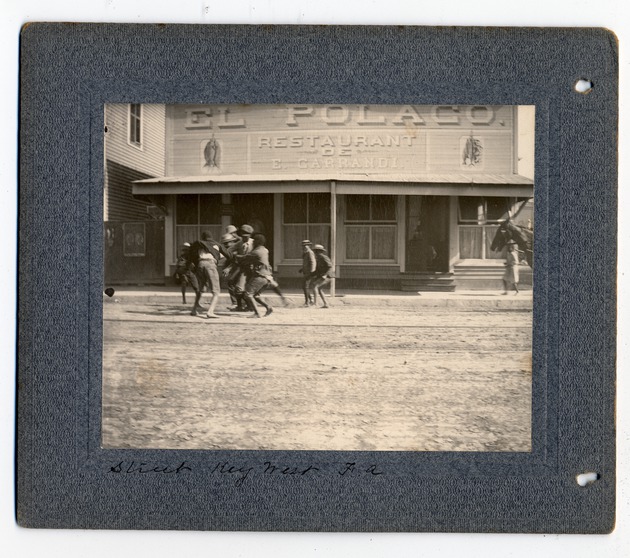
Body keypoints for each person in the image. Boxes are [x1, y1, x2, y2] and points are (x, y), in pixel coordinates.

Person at [237, 233, 274, 318]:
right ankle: (268, 307)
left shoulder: (256, 252)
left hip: (260, 276)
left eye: (254, 241)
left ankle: (257, 313)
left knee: (248, 294)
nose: (252, 242)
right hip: (268, 277)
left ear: (257, 242)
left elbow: (243, 258)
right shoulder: (265, 250)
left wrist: (232, 255)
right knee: (256, 295)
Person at [188, 231, 222, 318]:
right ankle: (210, 312)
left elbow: (193, 256)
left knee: (201, 289)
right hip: (210, 265)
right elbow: (222, 255)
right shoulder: (215, 245)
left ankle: (194, 310)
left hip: (200, 264)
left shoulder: (199, 246)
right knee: (216, 291)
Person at [227, 224, 254, 311]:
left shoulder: (254, 243)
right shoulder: (239, 243)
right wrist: (234, 256)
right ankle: (239, 306)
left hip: (253, 269)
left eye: (246, 236)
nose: (244, 238)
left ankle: (250, 306)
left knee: (250, 289)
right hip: (243, 269)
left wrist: (241, 256)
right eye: (243, 236)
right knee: (239, 288)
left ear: (250, 235)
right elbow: (228, 251)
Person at [298, 239, 316, 306]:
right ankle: (310, 300)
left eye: (306, 245)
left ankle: (307, 302)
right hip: (306, 271)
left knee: (305, 286)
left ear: (309, 246)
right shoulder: (305, 253)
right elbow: (306, 263)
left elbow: (313, 262)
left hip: (309, 272)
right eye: (303, 245)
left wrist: (312, 272)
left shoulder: (310, 252)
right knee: (304, 286)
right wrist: (302, 269)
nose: (305, 246)